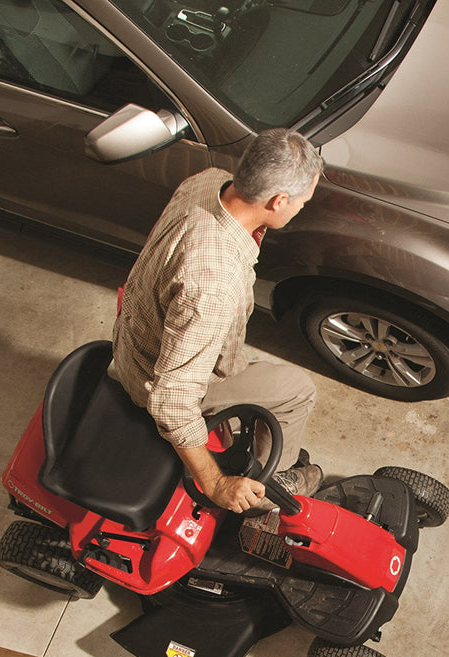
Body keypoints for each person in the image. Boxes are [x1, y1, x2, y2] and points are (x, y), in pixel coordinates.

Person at [109, 129, 323, 514]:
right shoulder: (214, 283)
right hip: (153, 380)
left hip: (134, 338)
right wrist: (217, 483)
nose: (302, 208)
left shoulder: (207, 182)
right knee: (297, 390)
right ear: (278, 201)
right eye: (302, 203)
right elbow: (172, 401)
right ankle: (271, 483)